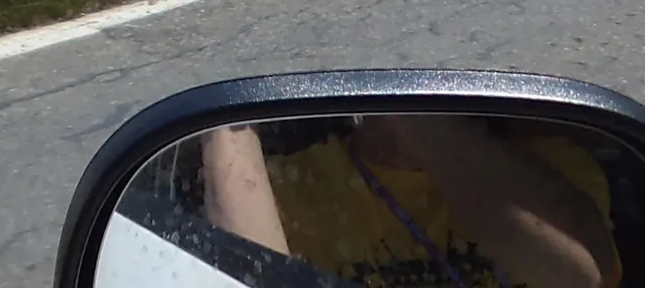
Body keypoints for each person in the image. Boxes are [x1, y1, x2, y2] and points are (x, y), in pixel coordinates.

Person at [202, 115, 621, 288]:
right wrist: (225, 121)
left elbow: (581, 274)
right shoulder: (290, 186)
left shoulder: (550, 166)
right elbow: (242, 278)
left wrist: (419, 112)